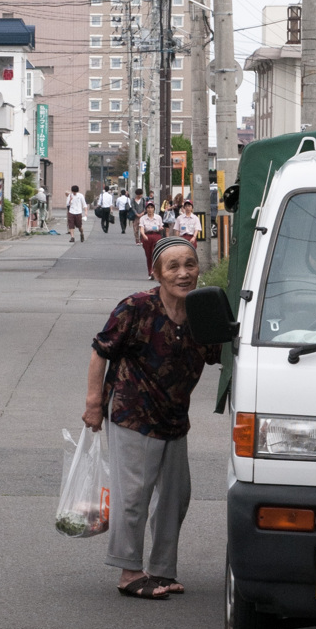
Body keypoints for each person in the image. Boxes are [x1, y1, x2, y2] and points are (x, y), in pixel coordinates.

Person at [82, 237, 221, 600]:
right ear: (157, 273)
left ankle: (161, 570)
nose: (183, 273)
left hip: (174, 417)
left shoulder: (202, 311)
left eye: (190, 264)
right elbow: (100, 351)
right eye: (173, 266)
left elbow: (221, 353)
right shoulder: (136, 307)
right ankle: (129, 571)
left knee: (176, 497)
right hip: (133, 413)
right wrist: (94, 403)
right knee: (133, 496)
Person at [139, 200, 163, 278]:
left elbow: (161, 227)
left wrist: (161, 228)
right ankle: (150, 272)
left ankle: (154, 271)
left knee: (155, 253)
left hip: (156, 236)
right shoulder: (143, 218)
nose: (150, 209)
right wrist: (143, 235)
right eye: (148, 207)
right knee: (148, 255)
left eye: (151, 207)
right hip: (147, 237)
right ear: (146, 209)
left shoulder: (158, 217)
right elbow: (141, 228)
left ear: (154, 209)